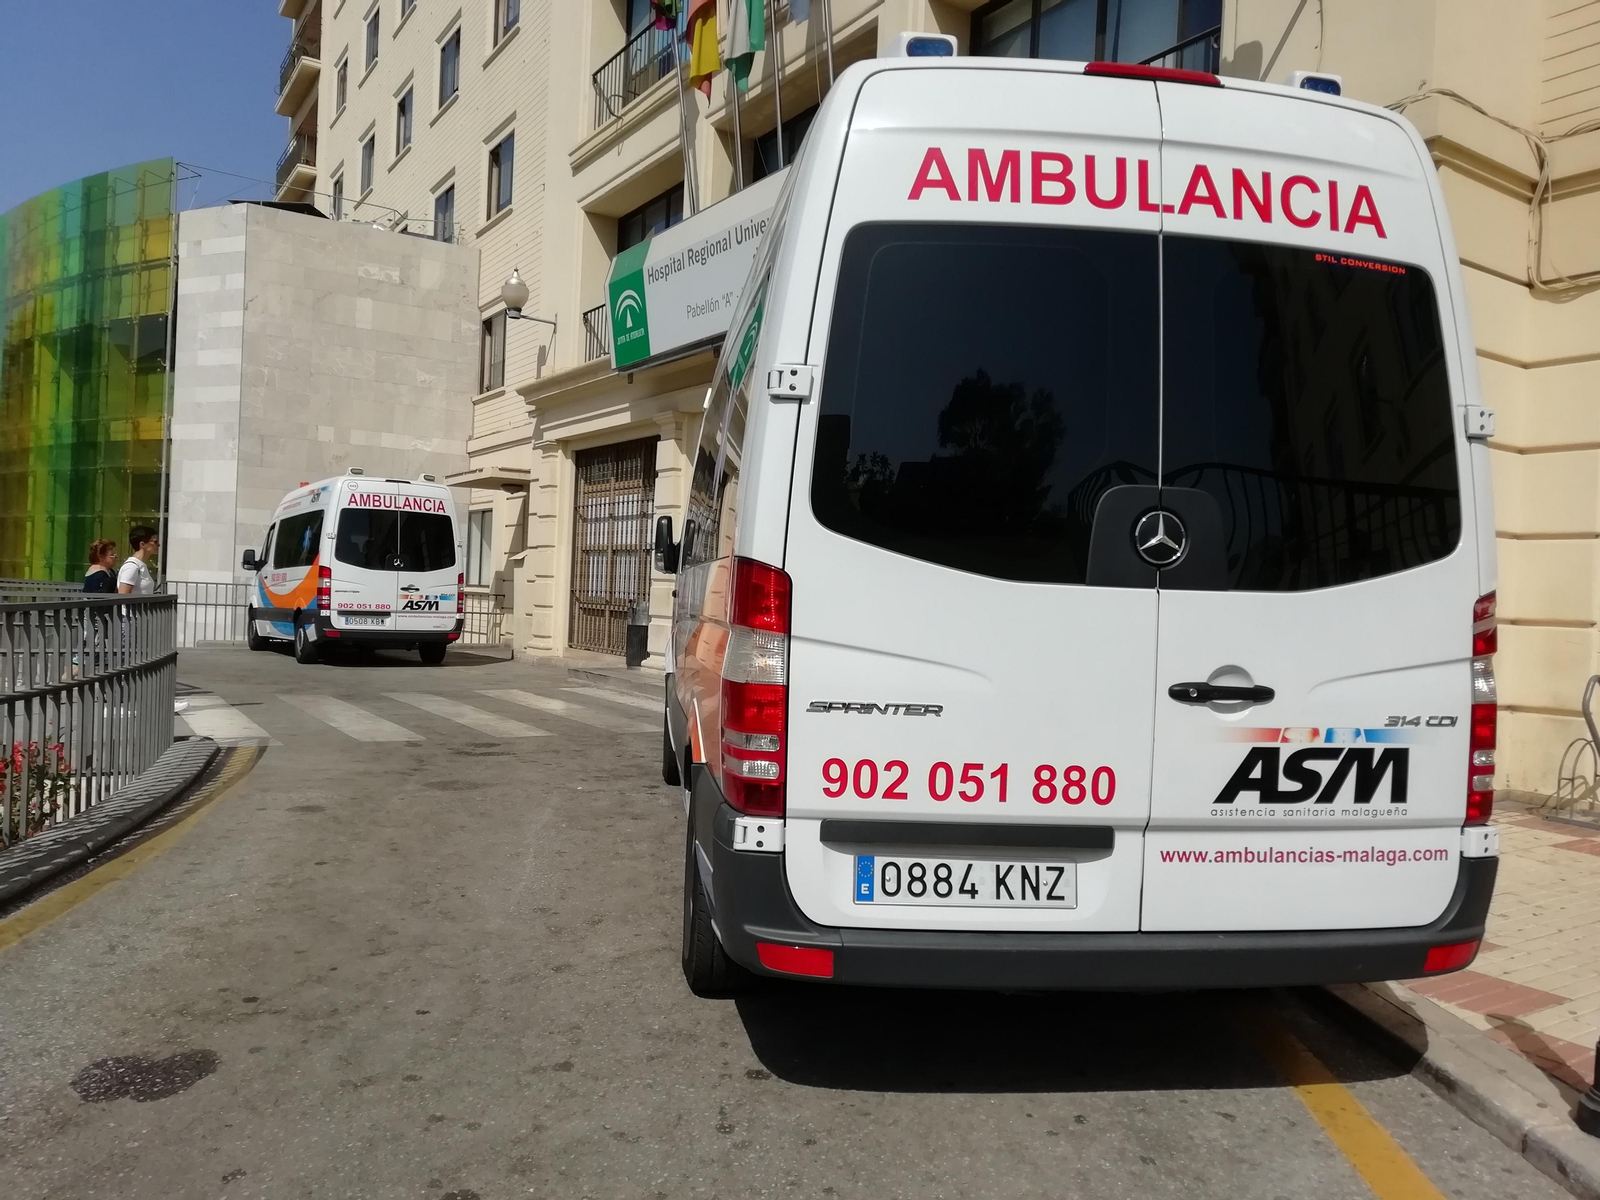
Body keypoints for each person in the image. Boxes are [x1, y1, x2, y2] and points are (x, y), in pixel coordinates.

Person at [117, 526, 159, 596]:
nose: (159, 545)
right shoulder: (131, 566)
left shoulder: (140, 565)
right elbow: (123, 594)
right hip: (135, 607)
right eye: (155, 542)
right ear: (142, 544)